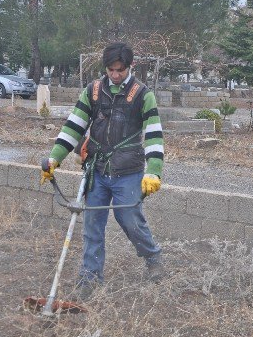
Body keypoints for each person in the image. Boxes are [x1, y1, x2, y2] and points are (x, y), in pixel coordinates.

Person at [41, 42, 164, 298]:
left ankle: (153, 259)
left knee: (129, 220)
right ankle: (89, 279)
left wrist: (153, 171)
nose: (115, 75)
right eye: (111, 70)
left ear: (130, 67)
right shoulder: (93, 91)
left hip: (128, 170)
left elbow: (154, 135)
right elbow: (74, 126)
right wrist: (55, 158)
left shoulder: (143, 94)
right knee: (92, 226)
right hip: (96, 169)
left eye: (120, 70)